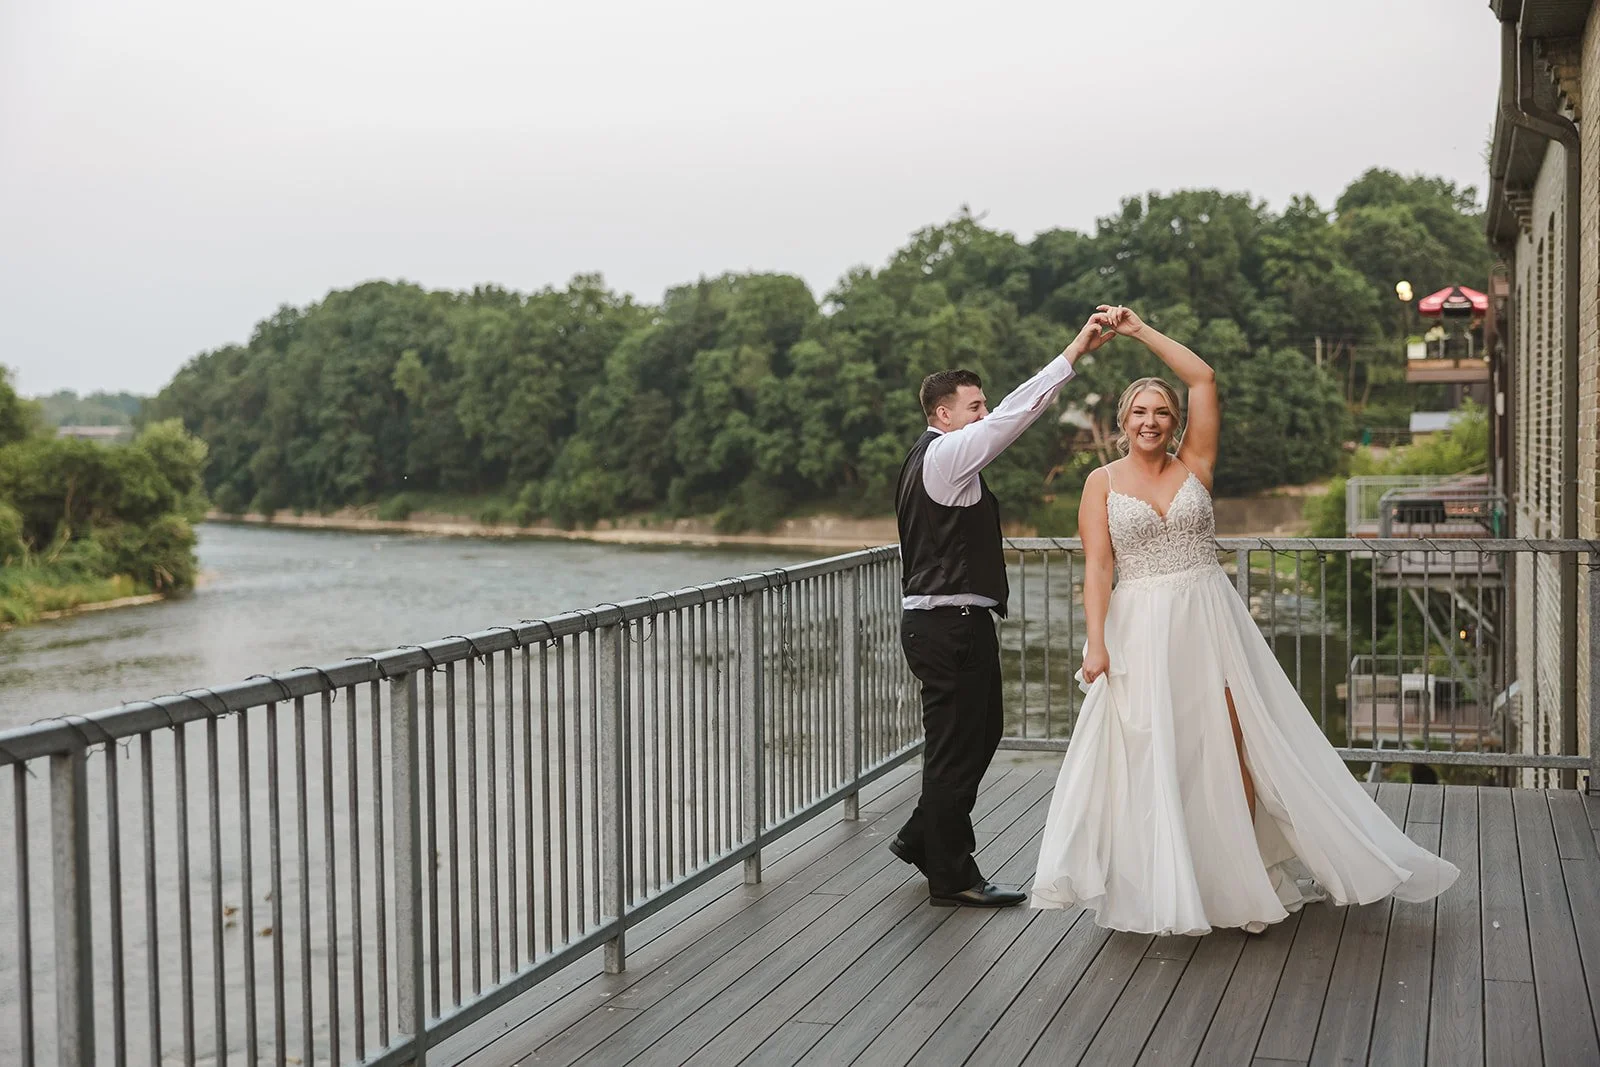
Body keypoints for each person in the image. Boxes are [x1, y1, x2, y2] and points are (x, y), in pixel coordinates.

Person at [1030, 305, 1458, 935]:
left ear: (1175, 424)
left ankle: (1241, 873)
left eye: (1162, 413)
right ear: (1122, 423)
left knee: (1236, 743)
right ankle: (1170, 881)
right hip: (1142, 624)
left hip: (1209, 616)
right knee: (1158, 750)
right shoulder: (1100, 482)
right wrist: (1095, 645)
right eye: (1140, 413)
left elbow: (1202, 378)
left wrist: (1138, 331)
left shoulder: (1195, 465)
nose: (1152, 422)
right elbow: (1098, 569)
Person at [892, 312, 1115, 907]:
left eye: (983, 405)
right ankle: (951, 875)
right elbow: (1021, 411)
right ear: (943, 414)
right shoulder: (944, 457)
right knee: (955, 747)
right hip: (948, 627)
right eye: (974, 406)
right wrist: (1074, 352)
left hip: (951, 624)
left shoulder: (931, 458)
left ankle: (923, 834)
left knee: (980, 733)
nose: (984, 415)